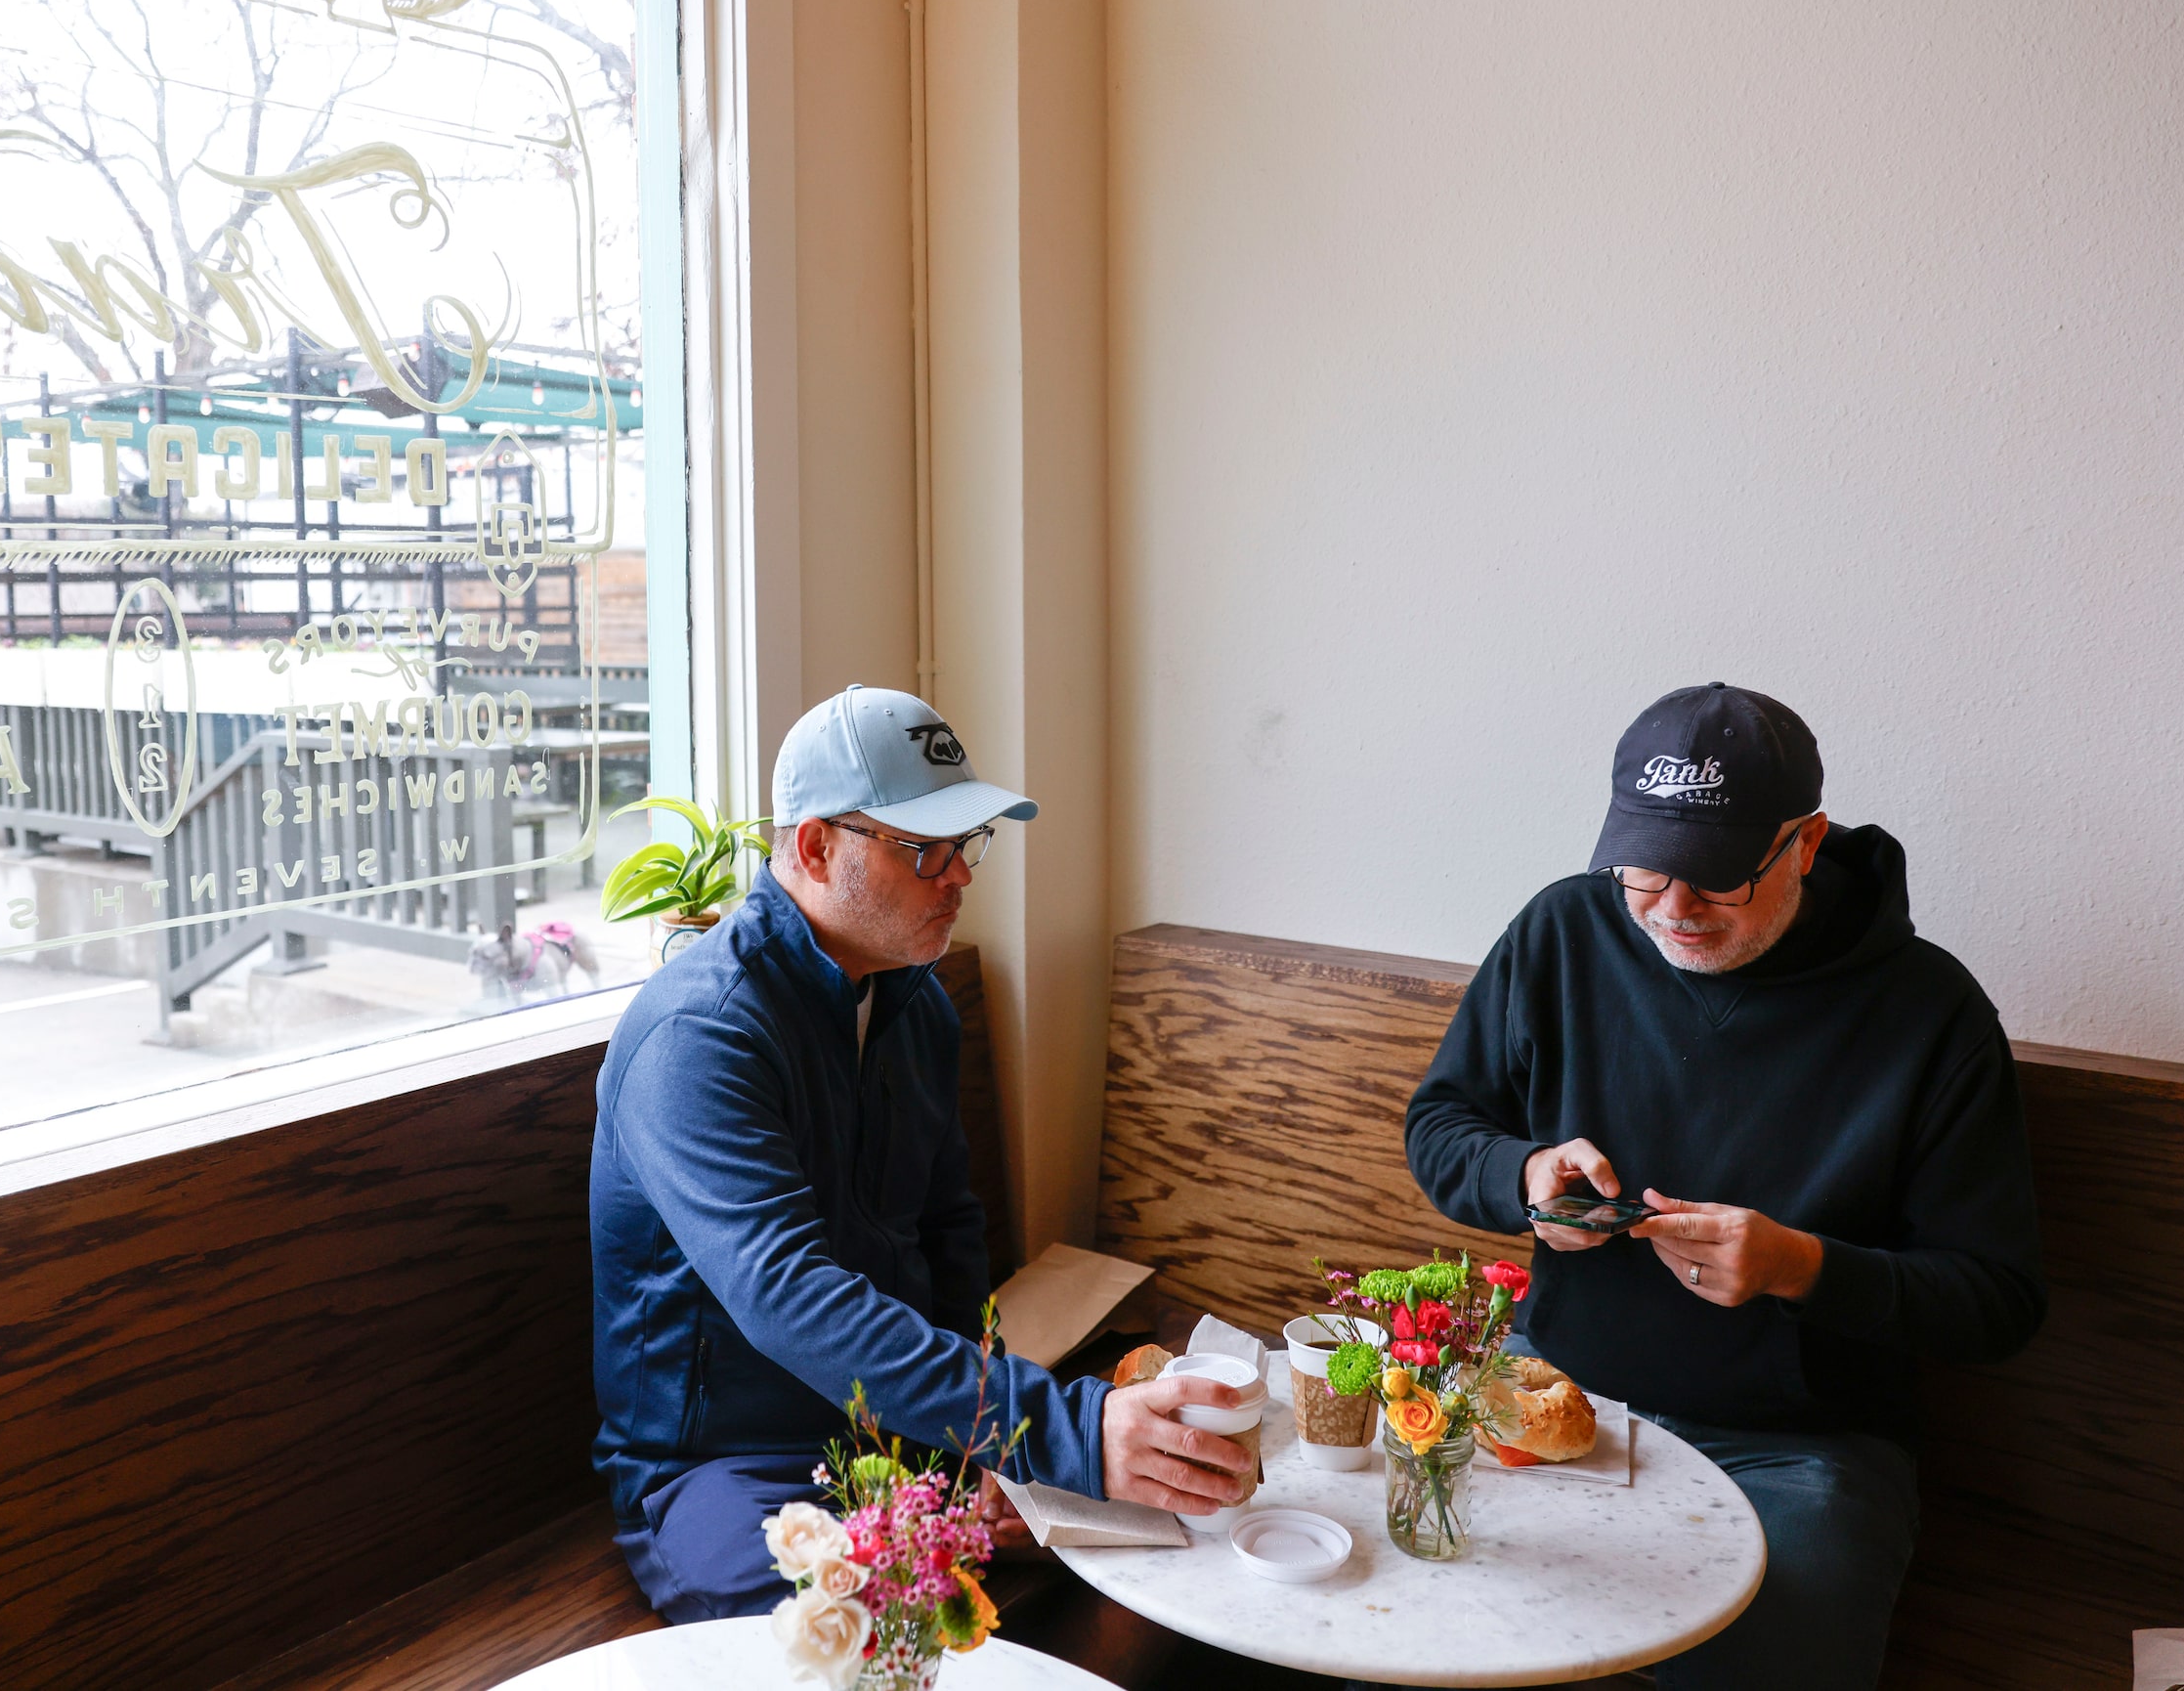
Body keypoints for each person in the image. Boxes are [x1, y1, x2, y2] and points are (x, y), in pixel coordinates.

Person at [1405, 682, 2046, 1691]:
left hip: (1799, 1449)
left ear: (1803, 843)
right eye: (1643, 873)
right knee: (1410, 1615)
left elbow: (1997, 1304)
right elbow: (1438, 1126)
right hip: (1551, 1385)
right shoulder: (1564, 932)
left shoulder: (1930, 1015)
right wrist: (1521, 1176)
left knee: (1769, 1651)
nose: (1670, 910)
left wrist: (1802, 1268)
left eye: (1713, 880)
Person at [590, 685, 1253, 1623]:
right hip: (724, 1467)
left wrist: (980, 1454)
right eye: (924, 849)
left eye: (966, 844)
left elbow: (949, 1237)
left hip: (899, 1432)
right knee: (853, 1634)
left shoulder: (914, 1005)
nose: (960, 877)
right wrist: (1054, 1430)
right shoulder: (699, 1037)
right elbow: (790, 1297)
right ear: (816, 847)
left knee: (1199, 1542)